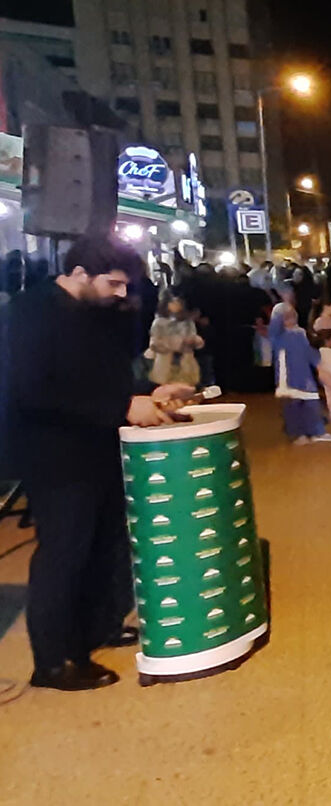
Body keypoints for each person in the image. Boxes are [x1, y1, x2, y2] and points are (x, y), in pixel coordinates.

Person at [4, 238, 197, 690]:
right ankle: (54, 660)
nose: (121, 294)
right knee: (65, 553)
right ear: (79, 274)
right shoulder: (31, 313)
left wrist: (148, 394)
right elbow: (34, 391)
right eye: (113, 284)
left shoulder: (95, 312)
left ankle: (95, 629)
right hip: (57, 458)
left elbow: (101, 377)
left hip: (99, 446)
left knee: (103, 545)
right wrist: (122, 407)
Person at [270, 302, 331, 443]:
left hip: (304, 376)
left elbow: (308, 351)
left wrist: (318, 363)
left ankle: (317, 432)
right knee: (292, 407)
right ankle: (297, 435)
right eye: (287, 316)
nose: (291, 319)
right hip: (287, 377)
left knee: (312, 403)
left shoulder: (300, 333)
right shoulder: (278, 336)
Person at [146, 292, 203, 387]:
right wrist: (173, 344)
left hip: (185, 362)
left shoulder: (188, 323)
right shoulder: (159, 323)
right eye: (173, 302)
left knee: (187, 384)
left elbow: (193, 337)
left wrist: (194, 341)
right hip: (165, 362)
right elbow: (154, 343)